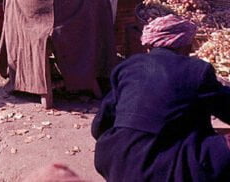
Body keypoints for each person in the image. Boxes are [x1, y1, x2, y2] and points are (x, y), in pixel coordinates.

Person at [92, 14, 230, 182]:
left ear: (149, 46)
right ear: (185, 46)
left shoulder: (127, 67)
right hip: (162, 170)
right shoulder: (197, 70)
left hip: (114, 160)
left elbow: (99, 126)